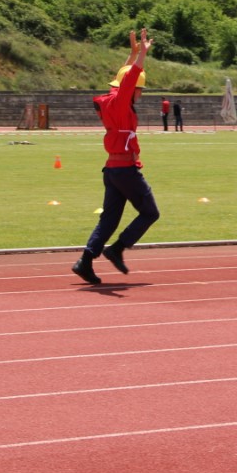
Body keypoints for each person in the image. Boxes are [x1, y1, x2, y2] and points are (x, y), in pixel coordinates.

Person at [72, 29, 160, 285]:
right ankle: (117, 248)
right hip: (126, 170)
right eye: (139, 90)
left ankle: (85, 261)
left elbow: (120, 82)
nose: (140, 93)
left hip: (112, 171)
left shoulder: (111, 102)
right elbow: (128, 81)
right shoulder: (122, 104)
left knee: (109, 219)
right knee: (150, 213)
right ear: (130, 90)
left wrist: (132, 55)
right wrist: (142, 55)